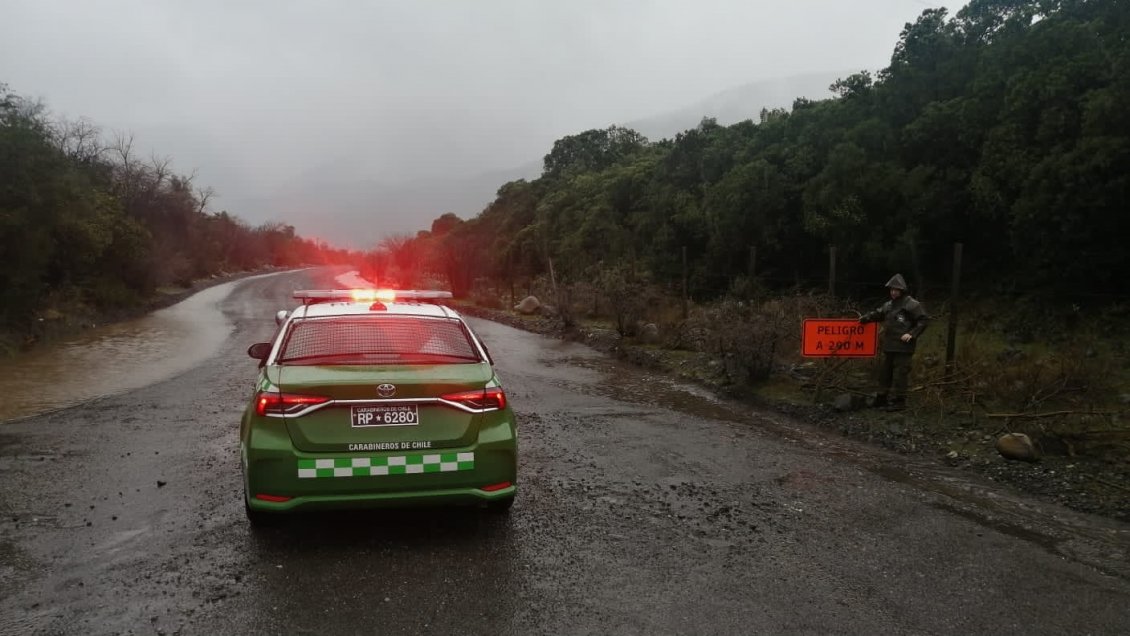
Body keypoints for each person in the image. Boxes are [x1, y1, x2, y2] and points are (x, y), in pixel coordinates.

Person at [858, 274, 928, 411]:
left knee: (900, 374)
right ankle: (881, 398)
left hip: (904, 346)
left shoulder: (912, 304)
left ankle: (899, 401)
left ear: (902, 290)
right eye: (891, 289)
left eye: (896, 289)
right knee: (885, 373)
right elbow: (878, 314)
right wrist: (865, 318)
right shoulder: (888, 305)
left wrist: (912, 333)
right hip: (890, 345)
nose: (893, 292)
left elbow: (923, 320)